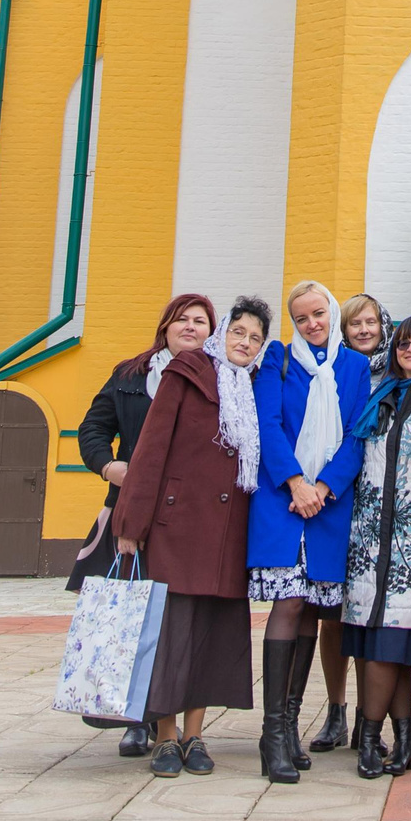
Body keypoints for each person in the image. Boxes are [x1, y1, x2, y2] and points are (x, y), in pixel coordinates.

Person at [111, 297, 266, 778]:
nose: (245, 343)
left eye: (255, 338)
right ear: (224, 334)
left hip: (228, 531)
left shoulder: (252, 387)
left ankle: (196, 735)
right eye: (239, 332)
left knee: (209, 635)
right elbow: (151, 449)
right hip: (177, 525)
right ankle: (164, 736)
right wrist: (130, 526)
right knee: (170, 634)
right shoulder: (189, 372)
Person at [74, 293, 214, 756]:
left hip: (184, 518)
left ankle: (163, 718)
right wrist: (109, 467)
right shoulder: (130, 376)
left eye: (201, 321)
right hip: (132, 510)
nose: (191, 328)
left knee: (175, 620)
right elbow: (92, 429)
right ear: (166, 326)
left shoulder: (217, 381)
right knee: (134, 614)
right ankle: (134, 714)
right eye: (183, 319)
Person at [249, 282, 374, 784]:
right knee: (288, 605)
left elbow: (359, 434)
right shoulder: (278, 360)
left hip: (329, 503)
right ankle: (274, 733)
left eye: (319, 314)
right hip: (283, 498)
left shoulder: (356, 367)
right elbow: (267, 424)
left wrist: (324, 487)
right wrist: (296, 483)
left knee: (312, 609)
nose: (312, 324)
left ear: (333, 312)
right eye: (301, 318)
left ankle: (291, 727)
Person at [340, 314, 411, 778]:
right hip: (370, 538)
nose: (410, 349)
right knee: (383, 644)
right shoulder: (378, 396)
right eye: (404, 343)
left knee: (392, 642)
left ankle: (369, 737)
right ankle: (403, 741)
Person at [315, 292, 390, 754]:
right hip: (337, 496)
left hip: (380, 499)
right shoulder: (332, 368)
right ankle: (335, 710)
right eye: (355, 324)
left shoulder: (397, 366)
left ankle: (369, 717)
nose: (364, 330)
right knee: (332, 614)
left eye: (371, 322)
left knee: (368, 614)